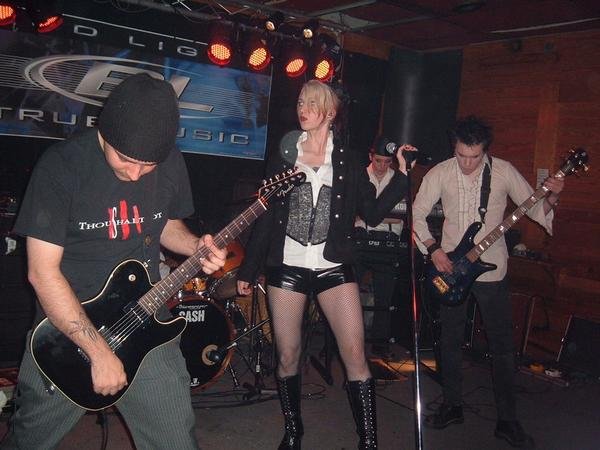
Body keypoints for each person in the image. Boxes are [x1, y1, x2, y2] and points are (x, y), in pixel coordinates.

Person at [0, 73, 226, 450]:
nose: (135, 174)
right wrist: (98, 352)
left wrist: (195, 246)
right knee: (29, 441)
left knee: (176, 441)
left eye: (147, 165)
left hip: (145, 319)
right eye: (125, 159)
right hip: (67, 334)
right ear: (105, 132)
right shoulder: (61, 167)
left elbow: (166, 224)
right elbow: (42, 273)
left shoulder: (171, 162)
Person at [236, 79, 416, 450]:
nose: (303, 109)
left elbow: (372, 211)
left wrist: (401, 176)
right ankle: (293, 432)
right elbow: (266, 214)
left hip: (333, 265)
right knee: (288, 354)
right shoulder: (286, 152)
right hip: (287, 264)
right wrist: (248, 269)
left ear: (330, 112)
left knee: (355, 354)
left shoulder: (348, 159)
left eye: (312, 103)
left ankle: (369, 442)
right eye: (301, 102)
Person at [412, 115, 564, 448]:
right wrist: (434, 250)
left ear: (485, 150)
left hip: (492, 271)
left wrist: (552, 197)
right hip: (450, 270)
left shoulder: (504, 172)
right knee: (449, 341)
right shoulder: (440, 172)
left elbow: (535, 208)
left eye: (475, 157)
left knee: (502, 346)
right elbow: (417, 214)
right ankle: (452, 405)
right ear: (454, 147)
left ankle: (508, 420)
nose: (467, 163)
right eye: (461, 155)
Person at [354, 136, 406, 359]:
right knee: (348, 292)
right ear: (370, 156)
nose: (382, 166)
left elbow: (399, 216)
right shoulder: (359, 176)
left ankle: (380, 344)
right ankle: (347, 340)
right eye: (378, 161)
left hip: (388, 240)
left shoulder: (399, 179)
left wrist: (370, 214)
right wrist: (379, 212)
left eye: (387, 162)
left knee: (384, 297)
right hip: (360, 238)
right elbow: (355, 213)